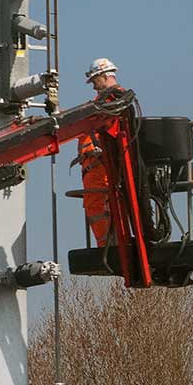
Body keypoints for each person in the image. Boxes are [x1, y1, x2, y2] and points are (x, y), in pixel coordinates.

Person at [78, 58, 122, 246]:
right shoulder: (103, 102)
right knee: (100, 208)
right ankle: (108, 247)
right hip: (95, 168)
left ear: (104, 75)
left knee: (101, 207)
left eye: (95, 80)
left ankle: (108, 249)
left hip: (100, 168)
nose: (93, 85)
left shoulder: (115, 100)